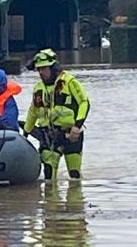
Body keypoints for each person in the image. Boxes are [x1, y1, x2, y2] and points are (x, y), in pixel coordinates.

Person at [23, 48, 90, 180]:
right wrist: (25, 133)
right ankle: (50, 200)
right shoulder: (38, 88)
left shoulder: (69, 82)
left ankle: (75, 199)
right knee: (48, 176)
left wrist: (77, 126)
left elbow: (84, 102)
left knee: (74, 176)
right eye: (39, 69)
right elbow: (33, 112)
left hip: (71, 134)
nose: (41, 72)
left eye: (44, 69)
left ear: (53, 68)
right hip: (48, 136)